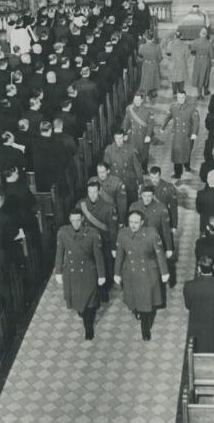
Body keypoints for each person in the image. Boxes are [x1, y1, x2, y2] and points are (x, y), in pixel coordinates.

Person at [113, 209, 169, 341]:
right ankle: (138, 312)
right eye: (130, 222)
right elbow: (120, 255)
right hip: (130, 272)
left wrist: (164, 272)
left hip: (148, 272)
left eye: (136, 222)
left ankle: (145, 330)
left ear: (142, 222)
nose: (133, 225)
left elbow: (159, 253)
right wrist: (117, 273)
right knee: (134, 301)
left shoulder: (151, 234)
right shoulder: (122, 234)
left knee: (146, 303)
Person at [54, 207, 106, 340]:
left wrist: (101, 275)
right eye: (73, 220)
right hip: (71, 273)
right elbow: (59, 253)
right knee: (79, 304)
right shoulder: (63, 233)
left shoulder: (92, 234)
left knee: (90, 303)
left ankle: (88, 329)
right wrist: (58, 271)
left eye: (78, 220)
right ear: (69, 220)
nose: (76, 223)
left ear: (82, 219)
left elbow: (98, 256)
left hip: (88, 272)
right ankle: (83, 313)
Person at [183, 255, 214, 352]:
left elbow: (188, 305)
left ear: (199, 268)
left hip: (198, 329)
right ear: (213, 267)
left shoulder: (189, 286)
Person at [162, 89, 199, 180]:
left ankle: (187, 165)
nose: (181, 99)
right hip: (177, 135)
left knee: (187, 150)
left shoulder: (191, 108)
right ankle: (178, 173)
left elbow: (196, 122)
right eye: (179, 97)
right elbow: (168, 117)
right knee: (177, 153)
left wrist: (194, 133)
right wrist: (163, 127)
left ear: (185, 97)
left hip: (187, 134)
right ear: (177, 97)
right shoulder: (173, 107)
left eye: (183, 97)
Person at [122, 91, 155, 171]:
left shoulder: (148, 111)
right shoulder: (129, 109)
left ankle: (144, 169)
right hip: (133, 136)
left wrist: (148, 135)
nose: (137, 102)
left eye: (138, 100)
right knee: (133, 152)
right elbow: (126, 122)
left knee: (144, 153)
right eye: (135, 100)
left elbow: (151, 124)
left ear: (142, 100)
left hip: (143, 136)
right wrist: (124, 133)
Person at [137, 31, 162, 100]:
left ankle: (147, 93)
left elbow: (139, 59)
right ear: (153, 38)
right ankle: (152, 93)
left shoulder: (142, 47)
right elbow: (160, 58)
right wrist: (156, 61)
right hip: (154, 64)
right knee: (153, 79)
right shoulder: (157, 47)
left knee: (146, 79)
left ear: (146, 38)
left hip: (146, 64)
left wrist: (143, 61)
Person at [190, 26, 213, 98]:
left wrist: (197, 54)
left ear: (200, 33)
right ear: (206, 34)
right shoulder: (209, 43)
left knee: (198, 76)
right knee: (206, 76)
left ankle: (199, 95)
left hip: (198, 61)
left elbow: (192, 53)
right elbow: (211, 55)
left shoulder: (195, 42)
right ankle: (206, 91)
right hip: (206, 61)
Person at [167, 31, 190, 95]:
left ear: (174, 36)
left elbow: (168, 56)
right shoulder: (185, 45)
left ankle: (174, 93)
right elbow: (187, 56)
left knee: (173, 79)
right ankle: (181, 92)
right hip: (181, 64)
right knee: (181, 79)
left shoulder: (170, 44)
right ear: (181, 37)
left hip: (173, 64)